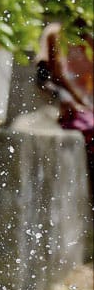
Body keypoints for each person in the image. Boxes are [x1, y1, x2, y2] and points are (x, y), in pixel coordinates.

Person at [36, 21, 94, 196]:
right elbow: (43, 78)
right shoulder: (55, 33)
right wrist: (68, 99)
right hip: (73, 110)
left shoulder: (87, 33)